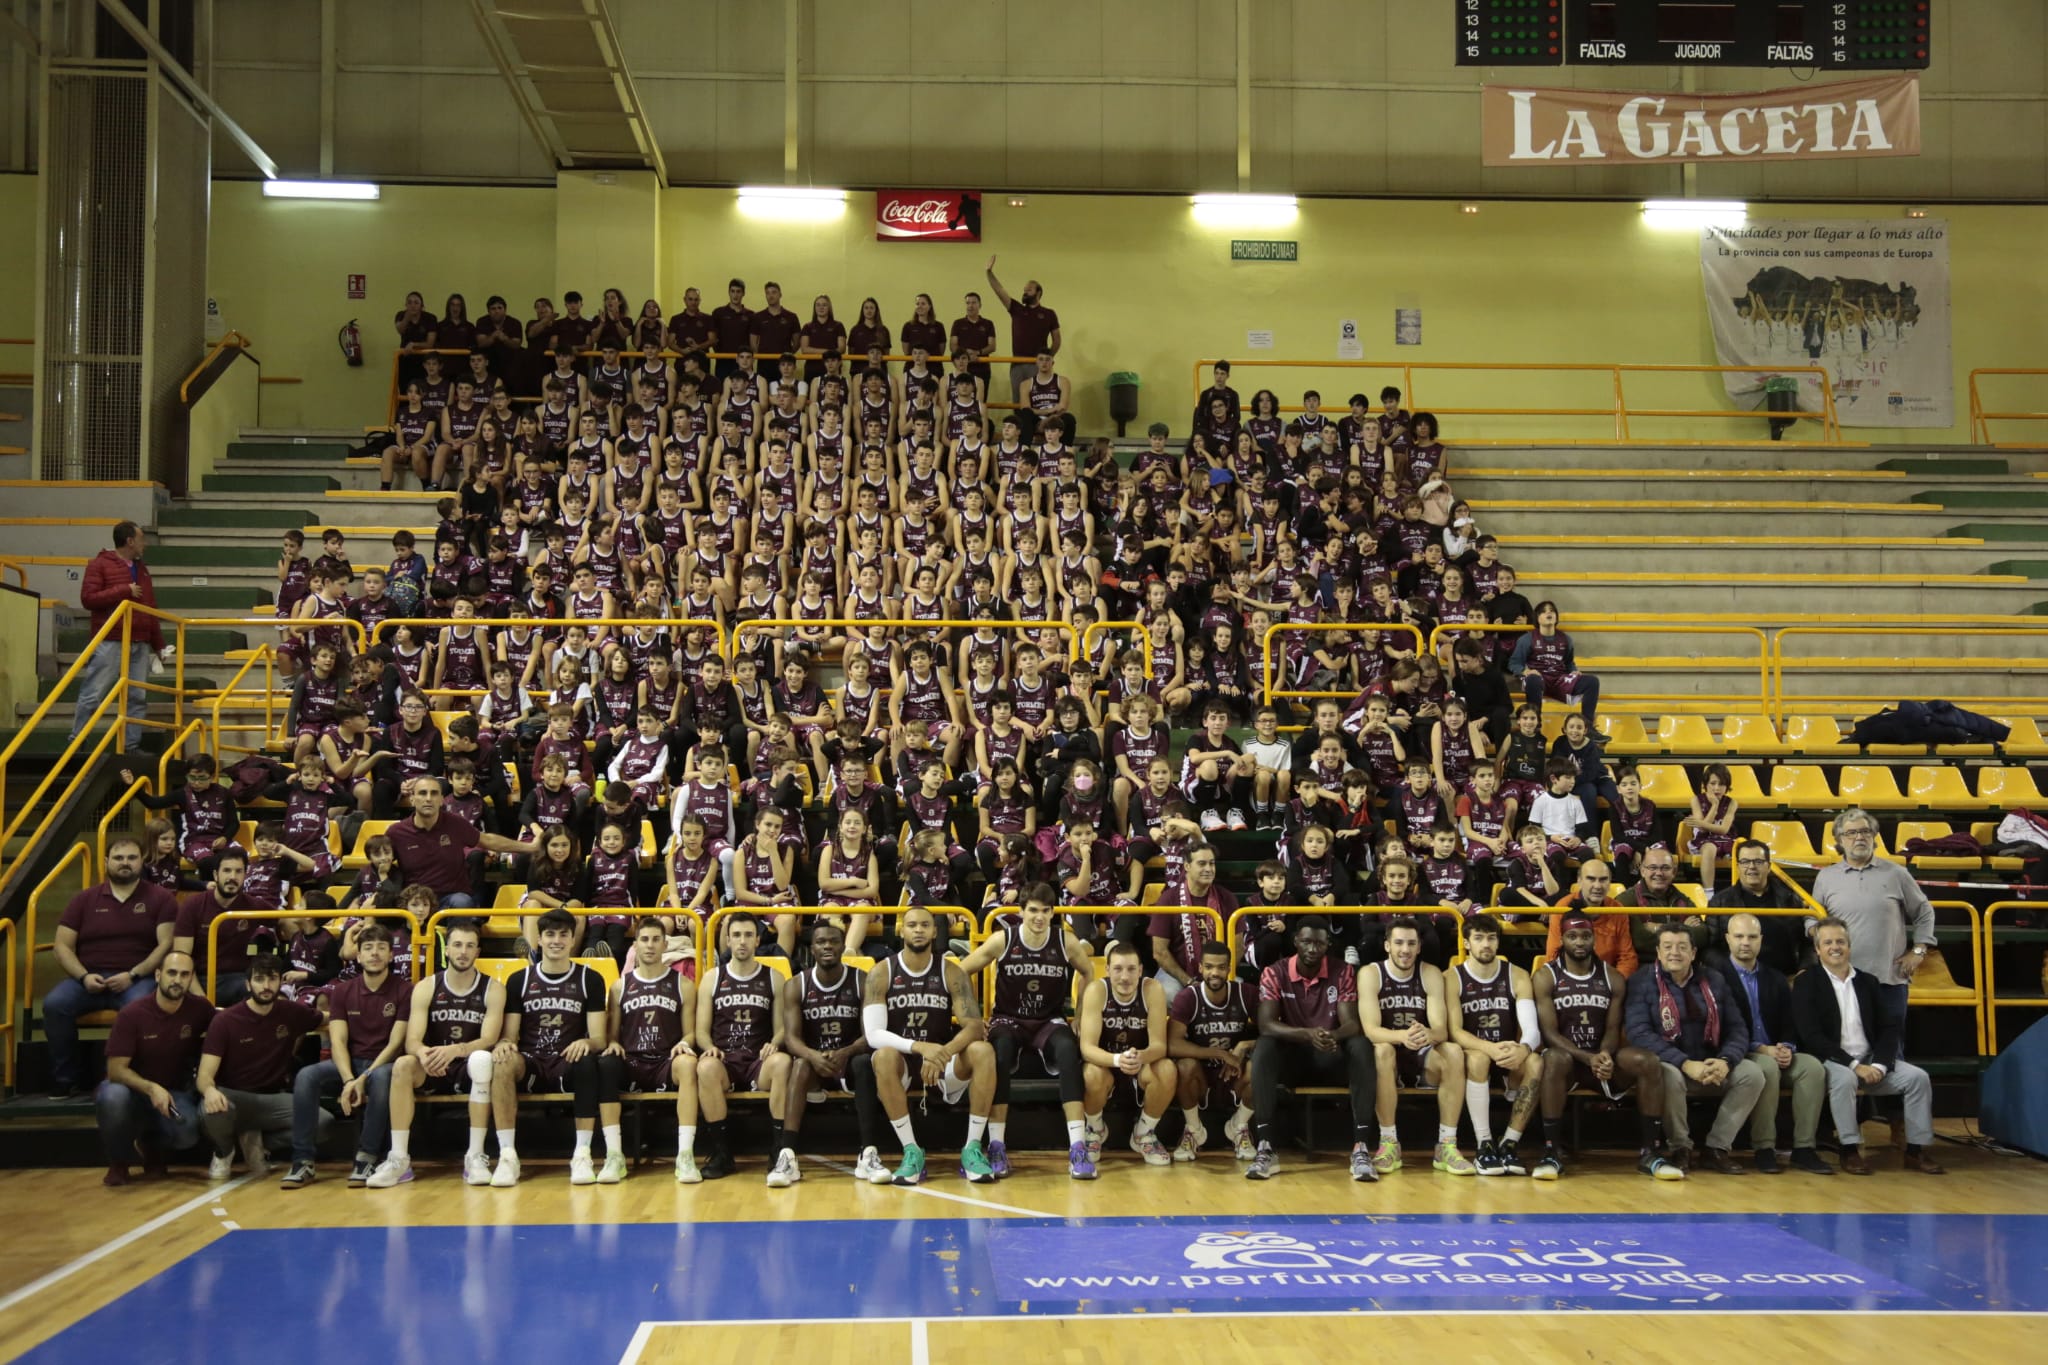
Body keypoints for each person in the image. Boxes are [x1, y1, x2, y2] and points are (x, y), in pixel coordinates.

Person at [955, 885, 1092, 1177]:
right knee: (999, 1051)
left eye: (1045, 911)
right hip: (1009, 1020)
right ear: (1020, 912)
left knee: (1069, 1050)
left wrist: (1082, 1013)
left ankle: (1079, 1146)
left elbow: (1089, 972)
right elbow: (959, 971)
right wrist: (972, 1016)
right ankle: (996, 1145)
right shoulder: (1003, 939)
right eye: (1033, 910)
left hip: (1048, 1021)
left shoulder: (1065, 942)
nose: (1039, 917)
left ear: (1053, 913)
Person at [859, 905, 999, 1185]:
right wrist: (921, 1048)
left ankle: (972, 1148)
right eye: (912, 925)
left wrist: (942, 1052)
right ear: (902, 930)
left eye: (925, 925)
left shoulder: (951, 972)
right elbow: (873, 1034)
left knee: (983, 1050)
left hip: (943, 1060)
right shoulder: (881, 972)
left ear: (935, 931)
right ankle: (911, 1151)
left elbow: (973, 1026)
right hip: (904, 1061)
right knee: (882, 1056)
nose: (919, 930)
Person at [1793, 918, 1945, 1176]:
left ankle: (1915, 1150)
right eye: (1827, 942)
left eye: (1840, 941)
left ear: (1850, 946)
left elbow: (1889, 1028)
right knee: (1844, 1080)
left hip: (1871, 1060)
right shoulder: (1807, 983)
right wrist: (1854, 1066)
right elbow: (1811, 1035)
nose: (1835, 947)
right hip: (1832, 1061)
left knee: (1918, 1078)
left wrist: (1879, 1064)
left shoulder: (1868, 982)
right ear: (1817, 950)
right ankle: (1849, 1149)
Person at [1531, 912, 1674, 1180]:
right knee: (1553, 1058)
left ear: (1594, 938)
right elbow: (1548, 1034)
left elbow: (1612, 1028)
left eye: (1585, 936)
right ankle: (1551, 1150)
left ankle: (1650, 1151)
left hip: (1601, 1058)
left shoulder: (1612, 977)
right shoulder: (1546, 977)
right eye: (1572, 936)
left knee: (1648, 1061)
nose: (1580, 942)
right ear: (1562, 939)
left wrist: (1606, 1055)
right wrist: (1588, 1058)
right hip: (1569, 1061)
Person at [491, 908, 625, 1186]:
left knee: (589, 1059)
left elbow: (600, 1039)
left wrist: (586, 1041)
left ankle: (582, 1153)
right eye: (550, 934)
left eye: (563, 935)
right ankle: (507, 1155)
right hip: (531, 1059)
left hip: (568, 1060)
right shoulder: (520, 980)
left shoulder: (590, 979)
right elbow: (510, 1035)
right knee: (502, 1062)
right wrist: (504, 1044)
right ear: (538, 939)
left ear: (573, 939)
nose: (556, 941)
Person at [371, 920, 505, 1188]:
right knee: (403, 1065)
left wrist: (454, 1050)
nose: (463, 952)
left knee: (482, 1060)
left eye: (469, 946)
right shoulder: (426, 986)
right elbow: (412, 1040)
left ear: (478, 951)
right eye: (457, 945)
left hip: (469, 1064)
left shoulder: (493, 988)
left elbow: (489, 1039)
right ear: (446, 950)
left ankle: (475, 1155)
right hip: (433, 1066)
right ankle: (399, 1158)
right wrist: (424, 1054)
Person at [1244, 917, 1378, 1182]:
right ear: (1295, 942)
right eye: (1306, 942)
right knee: (1264, 1046)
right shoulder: (1274, 972)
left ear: (1328, 944)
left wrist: (1333, 1035)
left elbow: (1352, 1023)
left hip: (1330, 1055)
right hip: (1293, 1060)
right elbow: (1266, 1024)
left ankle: (1361, 1148)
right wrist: (1306, 1034)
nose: (1312, 949)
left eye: (1319, 943)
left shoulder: (1343, 972)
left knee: (1361, 1045)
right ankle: (1266, 1148)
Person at [46, 833, 179, 1098]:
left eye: (131, 857)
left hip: (137, 978)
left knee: (140, 1008)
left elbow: (165, 945)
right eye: (118, 858)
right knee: (54, 1004)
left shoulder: (161, 898)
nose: (125, 863)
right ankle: (65, 1080)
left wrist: (133, 974)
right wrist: (84, 977)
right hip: (88, 979)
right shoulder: (84, 900)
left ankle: (132, 1079)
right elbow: (61, 946)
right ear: (106, 862)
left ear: (142, 861)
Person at [1623, 925, 1764, 1175]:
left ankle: (1717, 1148)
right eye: (1667, 947)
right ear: (1657, 951)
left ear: (1694, 952)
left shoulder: (1714, 979)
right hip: (1672, 1065)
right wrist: (1685, 1063)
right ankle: (1680, 1148)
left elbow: (1738, 1029)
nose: (1674, 952)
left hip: (1711, 1064)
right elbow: (1639, 1034)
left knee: (1752, 1074)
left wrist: (1725, 1060)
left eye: (1682, 947)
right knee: (1667, 1074)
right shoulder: (1641, 981)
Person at [283, 923, 408, 1189]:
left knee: (384, 1077)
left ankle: (367, 1157)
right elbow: (338, 1041)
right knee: (306, 1076)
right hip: (349, 1064)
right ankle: (302, 1160)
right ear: (358, 955)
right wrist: (350, 1078)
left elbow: (396, 1044)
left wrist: (363, 1077)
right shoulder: (342, 991)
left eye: (381, 948)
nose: (374, 953)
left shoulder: (404, 990)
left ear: (391, 955)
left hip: (385, 1062)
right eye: (368, 948)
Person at [1810, 808, 1936, 1043]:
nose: (1859, 837)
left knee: (1890, 1053)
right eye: (1851, 833)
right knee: (1847, 1050)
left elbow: (1924, 912)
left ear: (1874, 837)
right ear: (1839, 840)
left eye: (1865, 831)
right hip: (1841, 981)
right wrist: (1819, 936)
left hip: (1888, 981)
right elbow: (1811, 919)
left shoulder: (1897, 874)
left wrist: (1919, 951)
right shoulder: (1825, 877)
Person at [1362, 921, 1473, 1176]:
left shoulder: (1431, 973)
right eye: (1399, 943)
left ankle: (1447, 1145)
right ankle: (1389, 1143)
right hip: (1391, 1051)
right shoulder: (1371, 973)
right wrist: (1401, 1036)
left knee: (1454, 1052)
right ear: (1387, 945)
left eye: (1411, 943)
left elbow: (1441, 1031)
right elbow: (1370, 1029)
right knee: (1381, 1050)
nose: (1405, 949)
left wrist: (1427, 1034)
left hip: (1422, 1052)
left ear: (1420, 947)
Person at [197, 954, 323, 1180]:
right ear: (248, 984)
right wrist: (209, 1090)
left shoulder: (290, 1012)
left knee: (325, 1123)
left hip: (272, 1099)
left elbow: (329, 1019)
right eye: (259, 979)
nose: (266, 986)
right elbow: (204, 1076)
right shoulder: (225, 1020)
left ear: (280, 983)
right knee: (214, 1108)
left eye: (272, 979)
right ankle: (224, 1152)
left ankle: (259, 1141)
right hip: (233, 1098)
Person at [1722, 913, 1829, 1175]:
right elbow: (1723, 1028)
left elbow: (1790, 1020)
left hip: (1775, 1049)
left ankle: (1804, 1149)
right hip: (1741, 1053)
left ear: (1761, 940)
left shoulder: (1775, 977)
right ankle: (1765, 1148)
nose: (1745, 942)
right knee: (1768, 1067)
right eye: (1739, 936)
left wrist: (1787, 1046)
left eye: (1751, 937)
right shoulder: (1716, 977)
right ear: (1727, 939)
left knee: (1812, 1067)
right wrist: (1762, 1049)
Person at [97, 949, 214, 1185]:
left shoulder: (200, 1009)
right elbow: (115, 1070)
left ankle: (152, 1147)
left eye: (184, 974)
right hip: (134, 1091)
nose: (177, 980)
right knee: (111, 1097)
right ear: (159, 975)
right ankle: (119, 1162)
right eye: (172, 973)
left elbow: (227, 1029)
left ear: (191, 979)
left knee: (187, 1133)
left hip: (176, 1092)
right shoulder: (132, 1014)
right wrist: (151, 1089)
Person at [1445, 914, 1542, 1176]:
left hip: (1509, 1054)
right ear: (1466, 943)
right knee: (1478, 1058)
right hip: (1476, 1053)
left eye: (1491, 938)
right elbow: (1454, 1031)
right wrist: (1488, 1048)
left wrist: (1523, 1049)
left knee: (1535, 1060)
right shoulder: (1452, 977)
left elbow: (1532, 1030)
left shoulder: (1518, 976)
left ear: (1498, 943)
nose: (1485, 944)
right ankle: (1484, 1143)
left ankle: (1510, 1143)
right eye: (1478, 939)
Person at [694, 911, 789, 1180]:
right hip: (725, 1059)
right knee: (706, 1066)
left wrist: (775, 1042)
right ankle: (722, 1153)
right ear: (727, 939)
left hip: (759, 1061)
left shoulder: (774, 978)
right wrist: (709, 1047)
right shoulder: (712, 978)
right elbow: (701, 1031)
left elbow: (782, 1027)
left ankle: (779, 1151)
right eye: (736, 935)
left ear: (758, 939)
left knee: (783, 1062)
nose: (742, 941)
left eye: (748, 935)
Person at [778, 920, 873, 1184]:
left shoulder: (861, 980)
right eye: (821, 942)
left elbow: (870, 1035)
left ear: (844, 946)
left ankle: (868, 1153)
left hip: (851, 1061)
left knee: (864, 1061)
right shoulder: (796, 985)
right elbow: (791, 1038)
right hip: (815, 1065)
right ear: (812, 948)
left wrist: (845, 1051)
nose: (828, 946)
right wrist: (812, 1055)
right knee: (799, 1064)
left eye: (833, 941)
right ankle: (787, 1155)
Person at [608, 917, 701, 1185]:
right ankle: (614, 1156)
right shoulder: (620, 986)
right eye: (644, 940)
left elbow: (690, 1032)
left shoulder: (682, 984)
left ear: (665, 944)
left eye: (656, 939)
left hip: (665, 1061)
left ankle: (685, 1154)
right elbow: (613, 1036)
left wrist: (685, 1042)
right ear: (635, 945)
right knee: (606, 1064)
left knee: (687, 1064)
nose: (650, 945)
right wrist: (613, 1044)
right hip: (632, 1060)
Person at [1075, 938, 1177, 1173]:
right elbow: (1087, 1048)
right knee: (1090, 1074)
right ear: (1108, 970)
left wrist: (1140, 1056)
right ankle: (1095, 1129)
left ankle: (1144, 1134)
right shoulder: (1097, 990)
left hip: (1141, 1062)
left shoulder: (1152, 989)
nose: (1125, 976)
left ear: (1140, 971)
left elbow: (1160, 1046)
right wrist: (1116, 1060)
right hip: (1106, 1063)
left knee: (1167, 1069)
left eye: (1131, 969)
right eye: (1118, 969)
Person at [72, 520, 168, 750]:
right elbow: (89, 599)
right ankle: (77, 739)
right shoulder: (99, 565)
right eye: (141, 539)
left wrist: (159, 644)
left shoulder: (142, 569)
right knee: (94, 692)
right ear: (130, 541)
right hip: (112, 639)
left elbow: (149, 608)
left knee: (137, 696)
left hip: (140, 641)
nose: (144, 544)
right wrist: (123, 591)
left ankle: (130, 745)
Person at [1167, 938, 1257, 1162]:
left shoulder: (1246, 993)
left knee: (1260, 1066)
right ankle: (1194, 1131)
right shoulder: (1189, 997)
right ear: (1200, 968)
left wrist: (1243, 1046)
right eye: (1208, 967)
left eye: (1220, 967)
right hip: (1202, 1076)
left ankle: (1239, 1127)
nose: (1214, 973)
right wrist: (1218, 1053)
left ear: (1229, 968)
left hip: (1234, 1073)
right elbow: (1173, 1044)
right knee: (1185, 1066)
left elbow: (1271, 1034)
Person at [388, 776, 540, 909]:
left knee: (463, 901)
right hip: (415, 902)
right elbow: (378, 864)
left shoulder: (455, 823)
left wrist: (529, 847)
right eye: (422, 793)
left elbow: (488, 840)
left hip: (450, 899)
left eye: (434, 793)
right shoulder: (396, 833)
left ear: (442, 800)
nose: (428, 798)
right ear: (412, 799)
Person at [171, 847, 261, 1006]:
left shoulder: (253, 904)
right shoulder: (192, 906)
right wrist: (202, 999)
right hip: (198, 978)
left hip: (237, 979)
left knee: (259, 991)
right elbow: (182, 959)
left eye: (238, 871)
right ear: (215, 875)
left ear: (245, 875)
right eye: (226, 870)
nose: (232, 877)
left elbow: (286, 922)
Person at [1709, 839, 1806, 975]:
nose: (1752, 866)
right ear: (1737, 866)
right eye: (1745, 862)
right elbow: (1710, 948)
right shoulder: (1719, 902)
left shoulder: (1790, 898)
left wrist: (1804, 971)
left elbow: (1806, 942)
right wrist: (1729, 972)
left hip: (1787, 979)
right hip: (1738, 981)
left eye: (1758, 862)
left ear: (1769, 866)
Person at [984, 255, 1060, 407]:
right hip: (1017, 364)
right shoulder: (1017, 309)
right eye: (1024, 290)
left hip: (1036, 364)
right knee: (1018, 403)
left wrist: (1047, 359)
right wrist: (988, 272)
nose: (1025, 292)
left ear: (1038, 293)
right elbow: (999, 290)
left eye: (1029, 290)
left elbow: (1057, 340)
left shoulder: (1049, 313)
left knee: (1037, 401)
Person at [1543, 859, 1639, 975]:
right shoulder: (1563, 907)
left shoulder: (1617, 909)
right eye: (1591, 879)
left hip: (1608, 980)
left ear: (1610, 883)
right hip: (1569, 980)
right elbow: (1553, 955)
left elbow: (1627, 957)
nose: (1597, 886)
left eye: (1603, 880)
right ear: (1579, 881)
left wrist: (1614, 984)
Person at [1618, 847, 1708, 964]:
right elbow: (1640, 941)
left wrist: (1658, 927)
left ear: (1674, 872)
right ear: (1642, 871)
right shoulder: (1626, 900)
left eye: (1665, 868)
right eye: (1653, 867)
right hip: (1644, 965)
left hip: (1681, 964)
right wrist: (1683, 929)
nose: (1659, 873)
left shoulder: (1682, 898)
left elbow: (1702, 934)